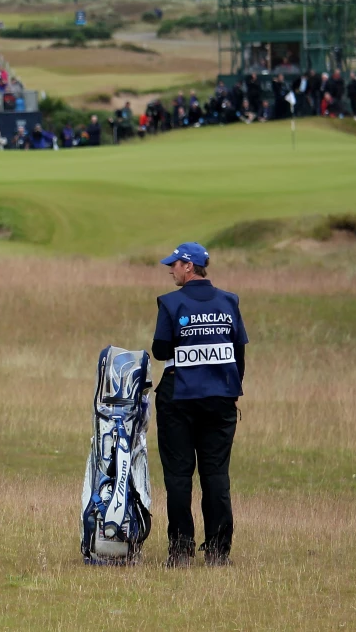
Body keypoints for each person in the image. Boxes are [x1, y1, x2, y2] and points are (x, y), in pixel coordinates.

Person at [152, 242, 247, 568]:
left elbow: (160, 350)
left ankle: (181, 551)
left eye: (175, 264)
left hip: (179, 398)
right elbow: (239, 352)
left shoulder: (171, 302)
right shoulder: (229, 301)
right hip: (220, 398)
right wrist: (230, 390)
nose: (171, 270)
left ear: (189, 266)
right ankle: (219, 552)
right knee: (216, 475)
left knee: (179, 476)